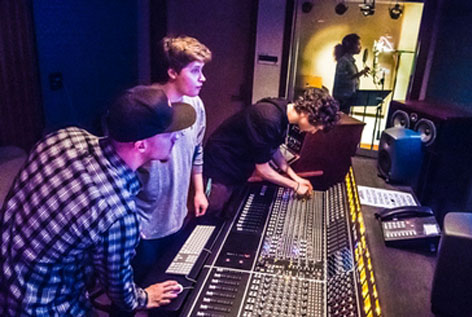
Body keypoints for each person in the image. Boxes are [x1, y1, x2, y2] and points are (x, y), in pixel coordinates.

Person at [0, 86, 193, 315]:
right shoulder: (116, 211)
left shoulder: (64, 137)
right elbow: (119, 291)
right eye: (169, 132)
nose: (177, 136)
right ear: (140, 144)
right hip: (42, 304)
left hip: (6, 277)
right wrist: (143, 297)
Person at [131, 35, 212, 281]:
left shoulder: (196, 105)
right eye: (196, 70)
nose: (203, 78)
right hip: (143, 225)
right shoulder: (142, 107)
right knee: (134, 293)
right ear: (172, 72)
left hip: (176, 217)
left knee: (166, 288)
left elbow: (197, 149)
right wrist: (132, 223)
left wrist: (199, 191)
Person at [203, 87, 340, 214]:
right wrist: (295, 186)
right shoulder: (268, 118)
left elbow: (273, 148)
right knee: (211, 211)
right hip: (220, 167)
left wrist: (295, 177)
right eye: (316, 127)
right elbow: (263, 171)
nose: (314, 132)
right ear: (308, 113)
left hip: (237, 167)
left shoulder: (284, 110)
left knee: (228, 211)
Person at [332, 33, 370, 114]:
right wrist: (360, 73)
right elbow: (343, 80)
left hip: (348, 99)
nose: (360, 47)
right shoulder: (344, 61)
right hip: (342, 100)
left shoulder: (349, 61)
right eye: (358, 44)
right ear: (351, 45)